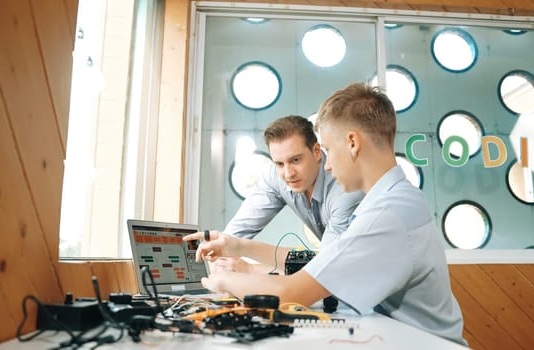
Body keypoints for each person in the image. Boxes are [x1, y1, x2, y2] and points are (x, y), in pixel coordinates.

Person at [185, 82, 467, 345]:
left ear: (353, 143)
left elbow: (292, 292)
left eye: (329, 150)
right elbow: (327, 263)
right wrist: (238, 246)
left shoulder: (385, 215)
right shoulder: (392, 201)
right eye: (280, 163)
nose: (328, 166)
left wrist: (219, 280)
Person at [215, 115, 363, 274]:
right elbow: (235, 232)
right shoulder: (275, 176)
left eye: (296, 160)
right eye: (279, 163)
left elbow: (327, 265)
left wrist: (251, 268)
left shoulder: (344, 190)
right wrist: (219, 252)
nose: (288, 173)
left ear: (317, 152)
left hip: (369, 280)